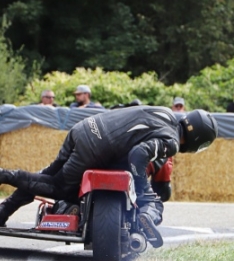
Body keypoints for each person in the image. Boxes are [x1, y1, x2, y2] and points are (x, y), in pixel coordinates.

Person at [0, 106, 218, 248]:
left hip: (84, 127)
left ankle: (3, 211)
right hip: (95, 148)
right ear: (197, 139)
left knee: (46, 176)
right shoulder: (170, 141)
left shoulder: (165, 113)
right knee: (59, 189)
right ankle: (4, 175)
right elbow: (138, 155)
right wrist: (142, 189)